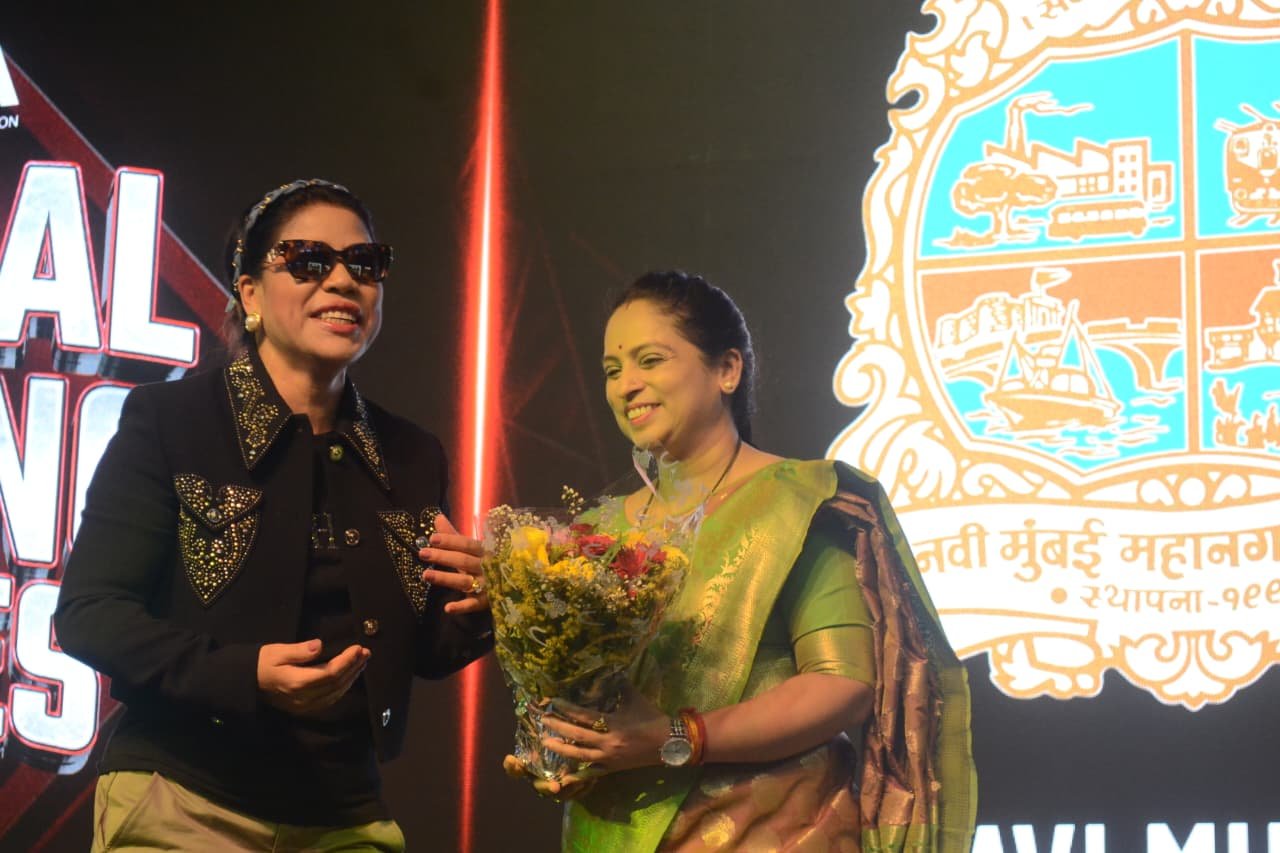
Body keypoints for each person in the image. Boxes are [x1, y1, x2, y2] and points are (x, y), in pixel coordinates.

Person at [55, 179, 491, 852]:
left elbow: (427, 651)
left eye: (364, 263)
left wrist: (485, 601)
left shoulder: (412, 454)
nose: (343, 281)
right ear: (250, 293)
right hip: (186, 798)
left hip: (345, 811)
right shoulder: (171, 422)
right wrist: (246, 675)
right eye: (309, 261)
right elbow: (91, 613)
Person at [506, 270, 976, 851]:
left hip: (769, 832)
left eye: (649, 360)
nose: (626, 385)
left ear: (727, 369)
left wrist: (672, 738)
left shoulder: (794, 501)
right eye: (611, 370)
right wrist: (563, 750)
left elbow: (843, 683)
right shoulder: (597, 534)